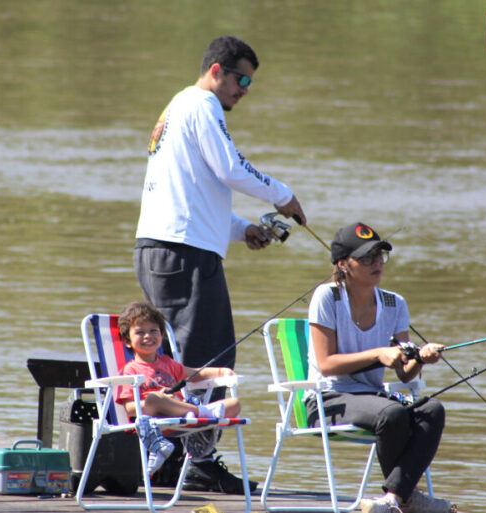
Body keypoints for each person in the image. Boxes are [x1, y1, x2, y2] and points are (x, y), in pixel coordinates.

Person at [133, 35, 307, 493]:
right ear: (216, 70)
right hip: (183, 254)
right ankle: (199, 461)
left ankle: (169, 456)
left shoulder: (179, 107)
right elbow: (231, 167)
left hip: (165, 248)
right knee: (212, 359)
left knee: (174, 362)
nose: (245, 89)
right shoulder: (202, 105)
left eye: (250, 82)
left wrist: (241, 228)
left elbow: (198, 187)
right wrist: (282, 194)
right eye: (241, 78)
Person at [306, 222, 457, 513]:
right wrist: (378, 354)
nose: (376, 263)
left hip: (372, 398)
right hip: (326, 398)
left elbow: (404, 371)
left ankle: (395, 499)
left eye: (380, 255)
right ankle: (407, 498)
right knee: (394, 412)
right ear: (343, 264)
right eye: (366, 258)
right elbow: (326, 365)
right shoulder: (327, 296)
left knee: (432, 410)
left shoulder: (394, 303)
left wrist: (420, 358)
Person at [115, 302, 242, 476]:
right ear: (127, 341)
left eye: (153, 331)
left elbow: (195, 374)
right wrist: (159, 399)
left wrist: (220, 371)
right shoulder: (130, 370)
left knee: (235, 404)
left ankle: (197, 412)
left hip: (179, 416)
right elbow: (130, 408)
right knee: (154, 398)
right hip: (152, 418)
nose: (148, 336)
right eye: (140, 332)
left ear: (161, 334)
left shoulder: (168, 363)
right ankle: (201, 412)